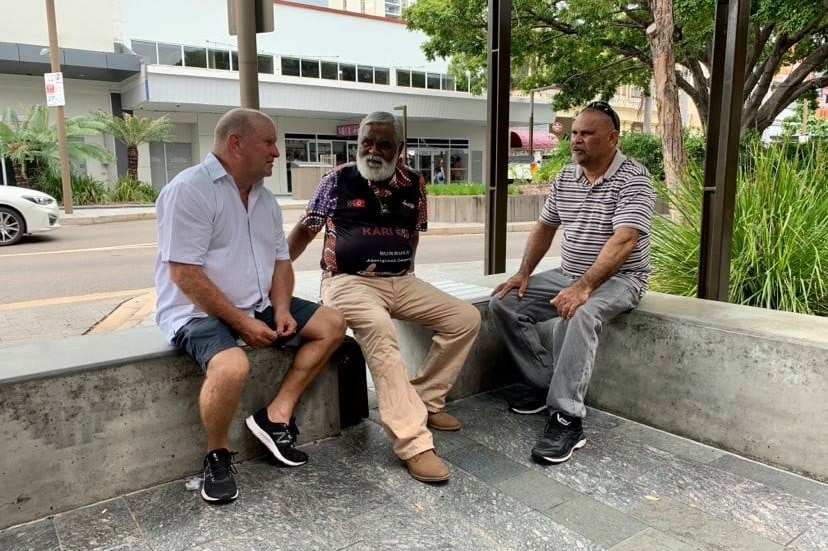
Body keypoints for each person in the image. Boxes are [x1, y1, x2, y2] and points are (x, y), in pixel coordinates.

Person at [154, 108, 347, 504]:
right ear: (235, 143)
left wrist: (280, 310)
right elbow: (184, 274)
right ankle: (217, 454)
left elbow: (280, 261)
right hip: (196, 310)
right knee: (232, 366)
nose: (277, 152)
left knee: (333, 324)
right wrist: (241, 322)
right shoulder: (189, 190)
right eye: (269, 142)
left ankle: (275, 416)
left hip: (256, 303)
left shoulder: (264, 199)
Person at [288, 111, 481, 483]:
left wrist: (406, 270)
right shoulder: (337, 181)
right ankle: (413, 442)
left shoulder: (415, 184)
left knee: (465, 318)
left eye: (384, 144)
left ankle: (425, 399)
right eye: (366, 142)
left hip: (400, 281)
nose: (373, 150)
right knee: (380, 332)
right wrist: (272, 277)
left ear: (401, 149)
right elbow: (304, 231)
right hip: (347, 282)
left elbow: (414, 234)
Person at [489, 101, 654, 465]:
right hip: (569, 272)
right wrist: (523, 273)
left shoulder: (634, 178)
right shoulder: (566, 176)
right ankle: (544, 384)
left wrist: (584, 287)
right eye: (575, 133)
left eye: (587, 134)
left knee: (579, 314)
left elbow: (625, 240)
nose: (576, 140)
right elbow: (545, 227)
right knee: (505, 303)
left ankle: (567, 418)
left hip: (621, 278)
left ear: (612, 138)